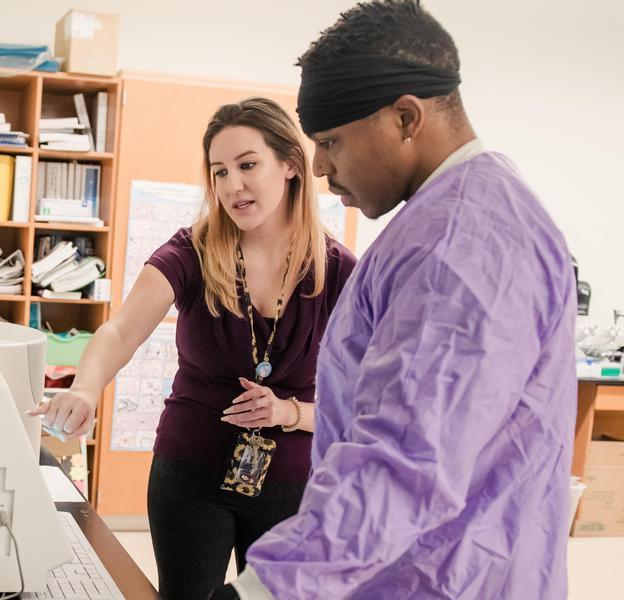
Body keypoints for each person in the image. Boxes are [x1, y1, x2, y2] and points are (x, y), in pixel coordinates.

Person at [212, 2, 576, 599]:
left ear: (406, 117)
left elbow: (404, 462)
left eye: (330, 141)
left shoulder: (461, 241)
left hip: (444, 577)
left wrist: (259, 592)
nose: (321, 166)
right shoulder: (458, 213)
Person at [29, 97, 356, 600]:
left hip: (292, 484)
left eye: (247, 165)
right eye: (219, 171)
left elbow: (365, 401)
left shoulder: (340, 272)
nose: (231, 186)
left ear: (291, 164)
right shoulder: (191, 251)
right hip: (190, 474)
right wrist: (86, 389)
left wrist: (290, 412)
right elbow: (119, 331)